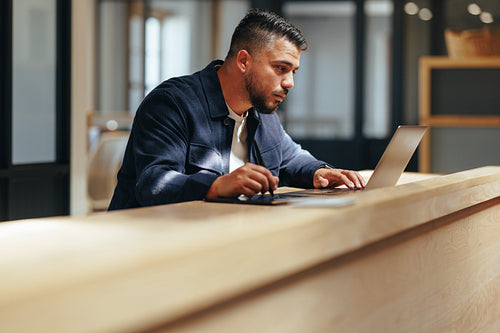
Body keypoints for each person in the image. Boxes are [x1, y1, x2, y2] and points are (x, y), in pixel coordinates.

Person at [108, 8, 365, 211]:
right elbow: (154, 184)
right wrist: (216, 185)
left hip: (221, 241)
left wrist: (319, 172)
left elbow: (291, 158)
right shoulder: (172, 103)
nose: (289, 83)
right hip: (151, 248)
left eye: (293, 71)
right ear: (244, 61)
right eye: (281, 68)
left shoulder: (262, 114)